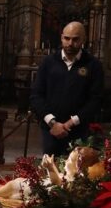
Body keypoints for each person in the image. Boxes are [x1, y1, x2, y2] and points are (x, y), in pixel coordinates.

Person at [30, 21, 105, 156]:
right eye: (67, 38)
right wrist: (53, 123)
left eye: (75, 39)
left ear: (83, 40)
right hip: (51, 130)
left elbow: (96, 99)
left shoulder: (93, 65)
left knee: (75, 168)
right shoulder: (49, 62)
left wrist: (71, 123)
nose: (70, 43)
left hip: (79, 130)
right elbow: (36, 95)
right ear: (61, 37)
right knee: (50, 167)